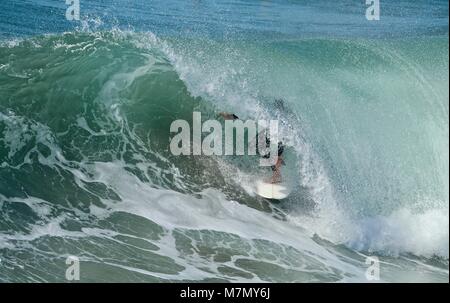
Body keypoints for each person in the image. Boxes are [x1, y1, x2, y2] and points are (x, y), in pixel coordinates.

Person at [218, 111, 285, 183]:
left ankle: (277, 173)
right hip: (274, 134)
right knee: (263, 148)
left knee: (265, 149)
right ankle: (277, 165)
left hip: (273, 136)